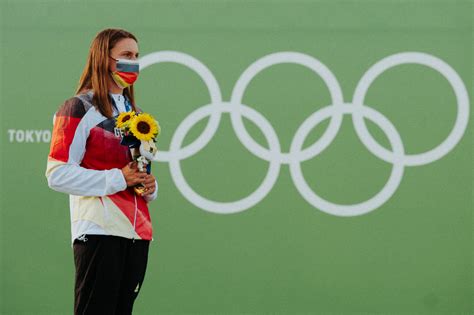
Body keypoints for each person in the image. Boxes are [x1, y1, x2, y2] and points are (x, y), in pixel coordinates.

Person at [45, 28, 158, 315]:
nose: (134, 63)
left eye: (137, 56)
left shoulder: (137, 115)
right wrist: (119, 178)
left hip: (137, 232)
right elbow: (57, 174)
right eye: (126, 55)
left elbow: (139, 174)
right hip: (98, 230)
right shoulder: (79, 107)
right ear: (104, 59)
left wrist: (150, 186)